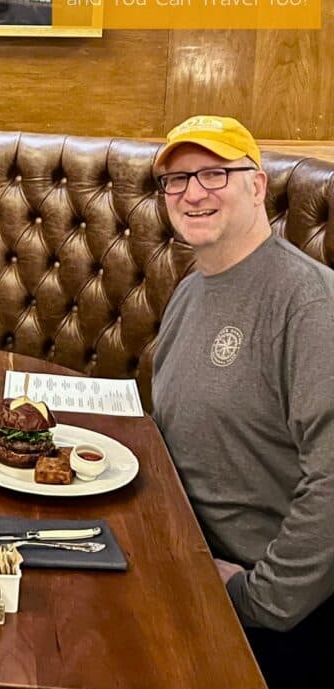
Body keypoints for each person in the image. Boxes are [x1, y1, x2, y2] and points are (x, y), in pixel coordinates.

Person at [151, 115, 334, 689]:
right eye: (176, 181)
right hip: (180, 566)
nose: (192, 193)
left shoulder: (309, 303)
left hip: (268, 620)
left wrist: (259, 600)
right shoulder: (191, 287)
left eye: (214, 173)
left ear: (257, 185)